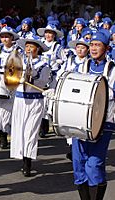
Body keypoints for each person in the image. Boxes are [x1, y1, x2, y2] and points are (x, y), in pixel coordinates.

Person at [72, 30, 115, 200]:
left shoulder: (112, 70)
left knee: (94, 164)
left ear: (106, 48)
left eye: (98, 45)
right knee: (79, 165)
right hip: (80, 121)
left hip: (104, 123)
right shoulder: (82, 66)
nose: (94, 48)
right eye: (92, 45)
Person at [10, 35, 51, 177]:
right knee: (19, 130)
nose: (28, 49)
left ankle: (28, 162)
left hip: (35, 101)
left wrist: (31, 73)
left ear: (37, 49)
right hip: (20, 100)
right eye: (27, 46)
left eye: (31, 46)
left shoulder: (44, 65)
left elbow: (42, 82)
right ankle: (22, 158)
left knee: (30, 132)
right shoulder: (18, 62)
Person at [57, 37, 90, 160]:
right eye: (78, 47)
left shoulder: (90, 62)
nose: (80, 50)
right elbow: (60, 73)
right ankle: (73, 149)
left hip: (83, 97)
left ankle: (81, 150)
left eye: (83, 48)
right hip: (69, 94)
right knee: (70, 122)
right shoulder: (70, 60)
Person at [37, 23, 66, 138]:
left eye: (51, 33)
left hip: (53, 77)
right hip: (41, 76)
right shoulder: (40, 45)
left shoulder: (57, 47)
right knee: (41, 101)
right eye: (47, 33)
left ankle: (55, 125)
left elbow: (64, 60)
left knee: (51, 101)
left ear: (54, 35)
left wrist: (56, 68)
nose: (48, 35)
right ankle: (42, 127)